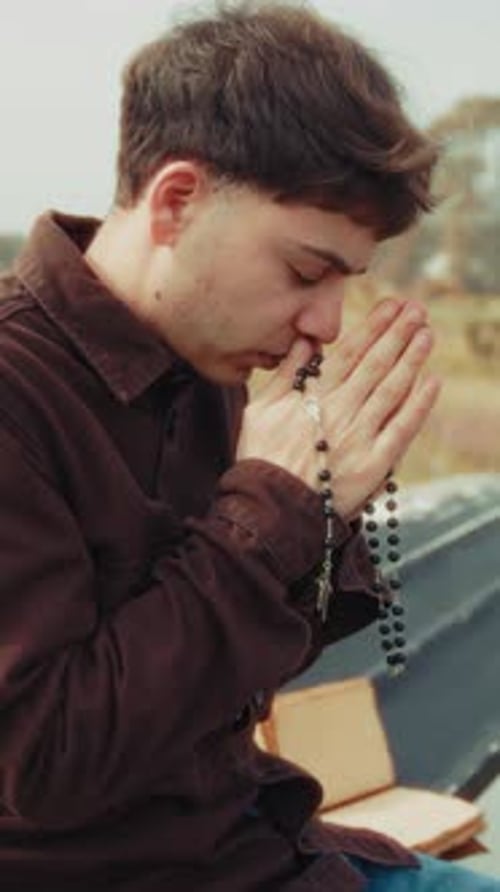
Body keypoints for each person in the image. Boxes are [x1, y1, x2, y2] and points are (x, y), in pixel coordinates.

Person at [0, 3, 497, 890]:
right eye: (306, 272)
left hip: (271, 851)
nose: (328, 323)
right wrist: (267, 506)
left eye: (348, 281)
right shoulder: (16, 395)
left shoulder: (217, 369)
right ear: (178, 200)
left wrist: (329, 507)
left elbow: (235, 670)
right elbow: (41, 765)